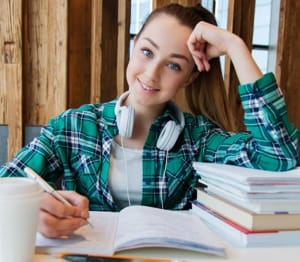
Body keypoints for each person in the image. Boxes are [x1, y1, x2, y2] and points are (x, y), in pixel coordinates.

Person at [0, 4, 298, 238]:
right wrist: (30, 208)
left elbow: (279, 154)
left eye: (173, 65)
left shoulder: (200, 139)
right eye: (146, 51)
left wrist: (235, 47)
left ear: (190, 76)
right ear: (134, 46)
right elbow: (6, 183)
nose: (151, 74)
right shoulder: (73, 128)